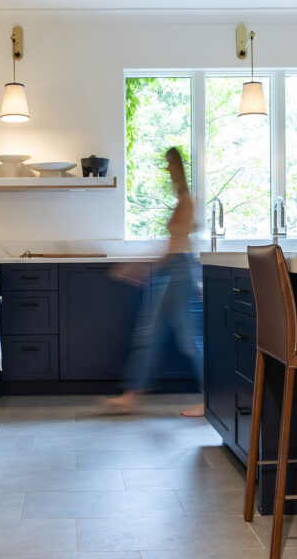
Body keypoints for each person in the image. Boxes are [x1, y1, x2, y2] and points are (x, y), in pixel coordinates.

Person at [106, 147, 204, 417]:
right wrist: (147, 267)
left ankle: (212, 398)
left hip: (178, 271)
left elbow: (179, 246)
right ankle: (130, 396)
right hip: (175, 270)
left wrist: (143, 268)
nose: (166, 169)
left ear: (178, 168)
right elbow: (178, 243)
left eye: (169, 165)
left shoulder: (187, 201)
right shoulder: (182, 201)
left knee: (188, 340)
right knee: (149, 334)